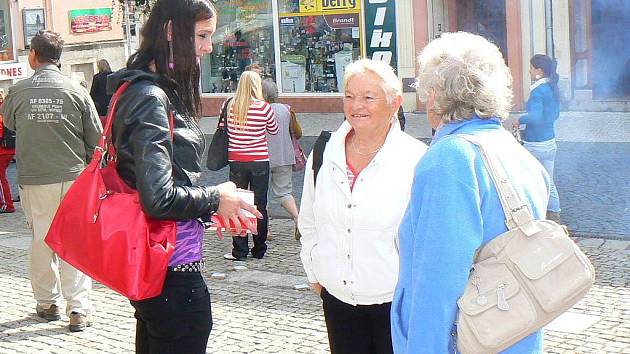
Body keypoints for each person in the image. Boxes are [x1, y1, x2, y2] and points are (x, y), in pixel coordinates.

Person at [106, 1, 261, 352]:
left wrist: (211, 207)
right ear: (171, 32)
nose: (209, 47)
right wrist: (217, 196)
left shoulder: (142, 90)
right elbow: (158, 197)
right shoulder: (149, 97)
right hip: (170, 272)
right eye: (203, 36)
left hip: (159, 268)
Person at [391, 32, 550, 353]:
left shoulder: (449, 160)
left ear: (434, 95)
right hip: (516, 334)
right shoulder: (515, 151)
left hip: (468, 341)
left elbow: (438, 285)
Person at [298, 59, 427, 354]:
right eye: (349, 96)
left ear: (394, 104)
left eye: (369, 97)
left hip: (395, 306)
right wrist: (314, 271)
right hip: (338, 302)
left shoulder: (416, 160)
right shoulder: (324, 152)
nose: (357, 105)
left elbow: (427, 239)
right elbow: (308, 220)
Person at [1, 30, 102, 331]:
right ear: (59, 58)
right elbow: (96, 139)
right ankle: (79, 310)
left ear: (33, 55)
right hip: (74, 178)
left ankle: (47, 303)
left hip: (35, 178)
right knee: (75, 242)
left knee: (42, 240)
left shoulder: (19, 91)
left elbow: (7, 122)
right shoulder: (77, 90)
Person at [222, 70, 278, 261]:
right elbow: (274, 130)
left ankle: (239, 251)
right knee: (259, 204)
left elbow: (223, 128)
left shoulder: (229, 105)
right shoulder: (263, 107)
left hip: (237, 160)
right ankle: (259, 248)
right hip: (259, 161)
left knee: (237, 204)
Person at [515, 54, 562, 223]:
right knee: (548, 182)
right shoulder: (552, 88)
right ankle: (554, 217)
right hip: (550, 142)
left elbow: (534, 116)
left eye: (531, 67)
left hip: (534, 144)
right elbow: (555, 114)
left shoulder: (537, 91)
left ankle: (531, 216)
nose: (529, 70)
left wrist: (519, 119)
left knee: (525, 180)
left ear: (539, 71)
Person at [261, 79, 299, 235]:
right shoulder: (286, 109)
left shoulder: (260, 110)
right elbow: (297, 132)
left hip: (263, 156)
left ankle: (265, 229)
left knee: (261, 194)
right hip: (285, 155)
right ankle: (298, 219)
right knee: (284, 192)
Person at [0, 89, 15, 213]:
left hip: (2, 151)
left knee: (1, 178)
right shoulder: (6, 109)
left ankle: (7, 204)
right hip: (10, 149)